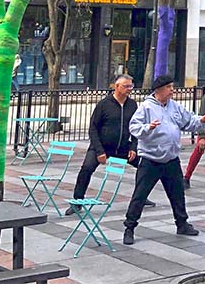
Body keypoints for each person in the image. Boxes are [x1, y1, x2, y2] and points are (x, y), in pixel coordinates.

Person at [123, 74, 205, 245]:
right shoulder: (146, 107)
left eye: (172, 86)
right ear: (159, 89)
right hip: (150, 159)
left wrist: (202, 120)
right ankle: (130, 227)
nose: (172, 90)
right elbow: (134, 127)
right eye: (169, 87)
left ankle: (182, 223)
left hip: (171, 158)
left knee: (177, 193)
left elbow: (189, 121)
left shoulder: (175, 106)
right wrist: (147, 128)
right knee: (140, 195)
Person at [66, 74, 154, 215]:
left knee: (145, 166)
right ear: (117, 86)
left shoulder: (132, 105)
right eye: (126, 86)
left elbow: (137, 127)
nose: (129, 89)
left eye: (131, 86)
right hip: (102, 146)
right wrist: (99, 151)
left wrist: (133, 147)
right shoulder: (104, 104)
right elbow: (93, 128)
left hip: (123, 147)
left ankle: (141, 197)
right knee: (86, 169)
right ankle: (77, 201)